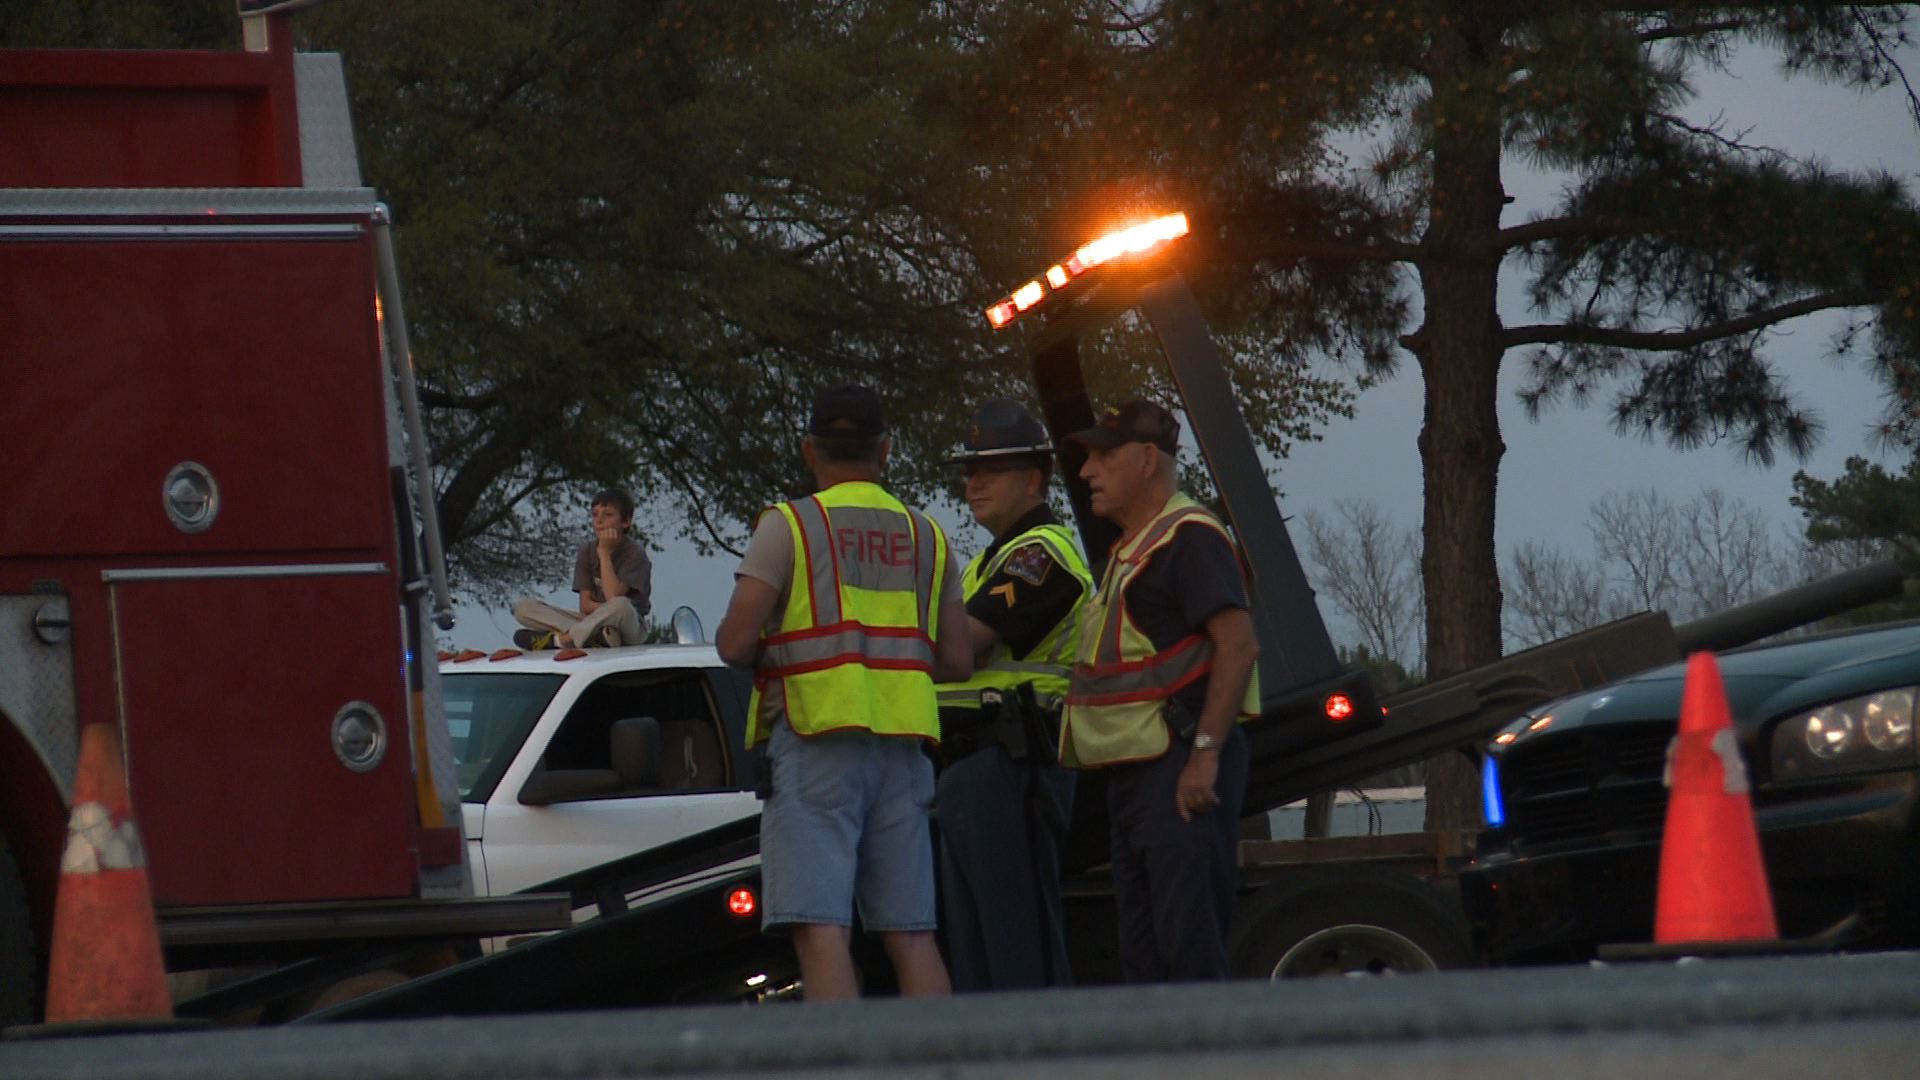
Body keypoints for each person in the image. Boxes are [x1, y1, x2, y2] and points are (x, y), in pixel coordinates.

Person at [715, 384, 971, 1002]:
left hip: (816, 744)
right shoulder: (928, 537)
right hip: (904, 753)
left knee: (821, 928)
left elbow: (733, 642)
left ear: (810, 450)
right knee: (912, 934)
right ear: (885, 451)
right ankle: (943, 1070)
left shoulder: (790, 527)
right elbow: (957, 660)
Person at [1059, 399, 1261, 983]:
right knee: (1148, 960)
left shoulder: (1188, 538)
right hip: (1140, 773)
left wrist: (1204, 754)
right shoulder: (1135, 548)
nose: (1087, 471)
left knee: (1188, 952)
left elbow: (1239, 646)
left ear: (1148, 460)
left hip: (1176, 775)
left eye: (1103, 455)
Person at [933, 399, 1092, 992]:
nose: (972, 483)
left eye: (989, 470)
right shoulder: (988, 563)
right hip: (975, 772)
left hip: (1013, 766)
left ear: (1033, 478)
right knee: (979, 960)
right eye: (969, 471)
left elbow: (963, 645)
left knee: (1018, 951)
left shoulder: (1041, 553)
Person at [511, 487, 652, 649]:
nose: (599, 521)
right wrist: (601, 617)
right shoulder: (587, 550)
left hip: (629, 626)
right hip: (590, 622)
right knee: (524, 608)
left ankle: (561, 640)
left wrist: (604, 554)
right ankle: (596, 638)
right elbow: (585, 606)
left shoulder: (634, 554)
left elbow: (613, 598)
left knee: (621, 605)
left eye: (608, 515)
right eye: (595, 514)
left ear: (625, 521)